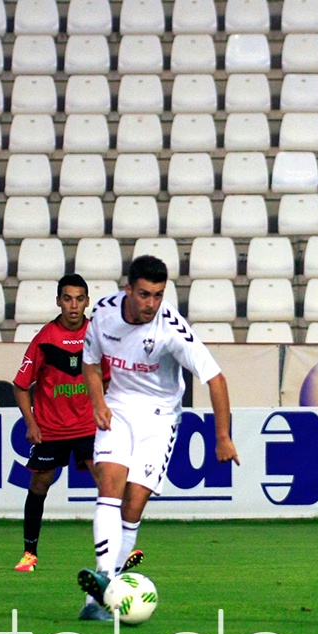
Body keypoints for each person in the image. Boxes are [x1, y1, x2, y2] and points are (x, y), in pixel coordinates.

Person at [75, 255, 239, 613]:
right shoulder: (103, 313)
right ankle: (102, 581)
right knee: (110, 485)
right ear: (128, 290)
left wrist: (223, 436)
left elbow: (216, 379)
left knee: (133, 505)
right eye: (144, 294)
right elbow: (89, 363)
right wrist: (98, 402)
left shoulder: (171, 329)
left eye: (158, 295)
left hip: (159, 418)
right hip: (117, 408)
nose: (151, 303)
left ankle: (104, 590)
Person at [11, 275, 119, 619]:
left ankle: (114, 555)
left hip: (88, 427)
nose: (73, 305)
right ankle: (30, 553)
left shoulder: (97, 335)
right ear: (58, 301)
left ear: (87, 301)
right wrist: (31, 423)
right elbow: (20, 385)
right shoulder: (44, 339)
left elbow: (108, 378)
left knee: (107, 484)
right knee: (40, 484)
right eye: (68, 298)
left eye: (79, 298)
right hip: (53, 429)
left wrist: (103, 407)